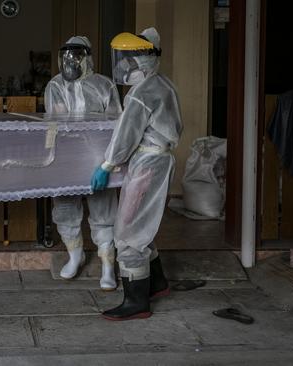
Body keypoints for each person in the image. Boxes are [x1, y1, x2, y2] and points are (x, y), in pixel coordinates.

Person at [91, 27, 182, 320]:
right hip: (160, 160)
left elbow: (126, 136)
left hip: (147, 165)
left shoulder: (141, 94)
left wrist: (107, 165)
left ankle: (136, 302)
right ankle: (157, 284)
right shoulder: (162, 84)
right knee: (144, 223)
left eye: (132, 58)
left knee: (128, 231)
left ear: (146, 59)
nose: (125, 65)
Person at [44, 36, 122, 290]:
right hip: (66, 157)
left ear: (87, 57)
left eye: (76, 56)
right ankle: (75, 255)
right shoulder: (54, 86)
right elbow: (53, 124)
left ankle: (108, 263)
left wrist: (110, 161)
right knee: (66, 206)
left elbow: (117, 124)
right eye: (66, 56)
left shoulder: (104, 85)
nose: (70, 61)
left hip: (97, 157)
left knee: (104, 208)